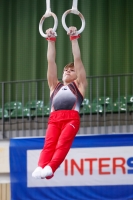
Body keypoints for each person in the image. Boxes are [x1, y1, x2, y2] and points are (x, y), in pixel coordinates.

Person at [32, 26, 87, 179]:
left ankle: (51, 166)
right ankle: (41, 166)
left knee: (62, 143)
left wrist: (74, 38)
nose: (67, 71)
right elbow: (51, 61)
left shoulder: (79, 85)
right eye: (65, 70)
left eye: (71, 70)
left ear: (77, 74)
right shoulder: (53, 85)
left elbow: (77, 60)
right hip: (54, 119)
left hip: (71, 118)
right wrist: (51, 40)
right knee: (49, 144)